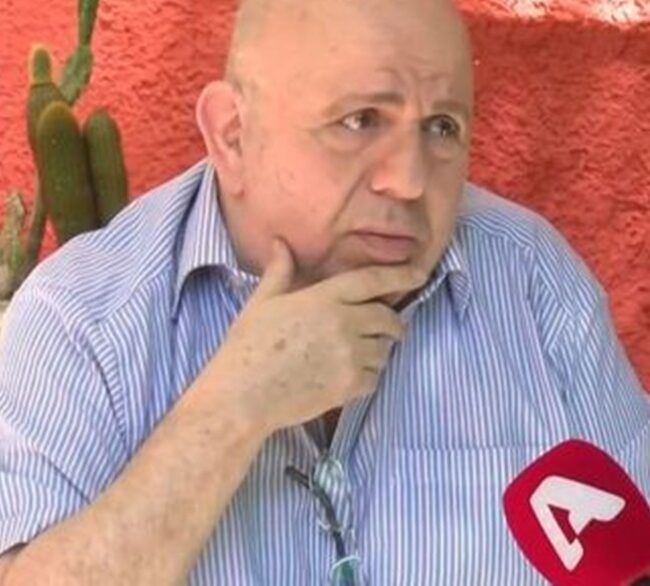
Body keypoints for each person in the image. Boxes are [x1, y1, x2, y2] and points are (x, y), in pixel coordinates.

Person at [0, 0, 647, 583]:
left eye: (442, 128)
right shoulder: (82, 319)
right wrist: (234, 408)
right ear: (233, 135)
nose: (409, 180)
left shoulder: (531, 283)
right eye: (361, 120)